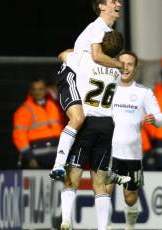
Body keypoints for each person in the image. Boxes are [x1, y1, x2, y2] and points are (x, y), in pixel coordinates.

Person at [58, 31, 129, 230]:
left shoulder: (85, 60)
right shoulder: (117, 70)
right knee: (100, 181)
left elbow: (63, 54)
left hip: (86, 123)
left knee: (73, 174)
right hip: (106, 124)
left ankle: (66, 220)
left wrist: (83, 49)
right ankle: (102, 227)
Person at [50, 0, 124, 179]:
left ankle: (108, 168)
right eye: (113, 1)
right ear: (102, 6)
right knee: (78, 117)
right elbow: (97, 56)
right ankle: (58, 164)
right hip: (72, 74)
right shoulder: (98, 27)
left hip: (85, 75)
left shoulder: (107, 31)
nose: (119, 4)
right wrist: (119, 65)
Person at [107, 51, 162, 230]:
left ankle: (130, 227)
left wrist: (155, 120)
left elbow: (161, 118)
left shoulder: (143, 92)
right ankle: (105, 226)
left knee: (129, 197)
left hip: (132, 153)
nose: (125, 67)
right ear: (116, 64)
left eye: (130, 64)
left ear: (135, 67)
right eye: (122, 63)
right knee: (104, 192)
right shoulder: (107, 88)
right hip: (107, 151)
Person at [13, 79, 63, 169]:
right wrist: (30, 158)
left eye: (40, 89)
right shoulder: (24, 110)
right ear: (30, 91)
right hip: (37, 159)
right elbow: (19, 136)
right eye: (35, 89)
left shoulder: (52, 106)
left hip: (56, 158)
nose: (38, 92)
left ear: (45, 90)